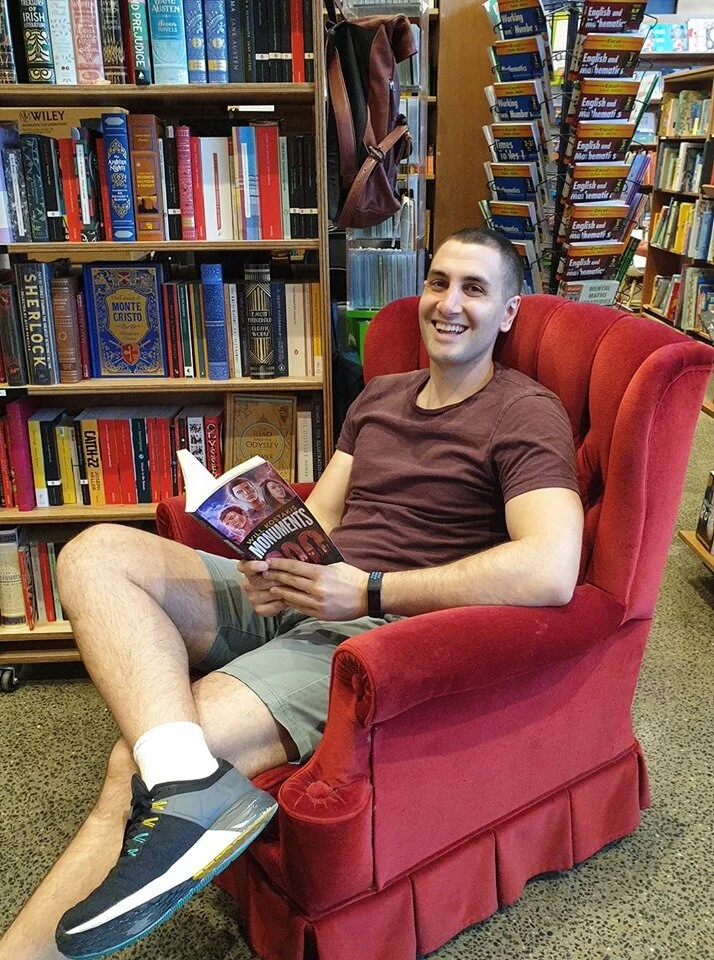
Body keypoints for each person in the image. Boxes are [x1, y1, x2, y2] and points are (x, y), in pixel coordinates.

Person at [0, 227, 584, 960]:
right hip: (308, 590)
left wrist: (369, 592)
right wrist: (270, 557)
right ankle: (191, 785)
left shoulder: (525, 411)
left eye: (475, 289)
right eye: (438, 282)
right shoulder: (381, 395)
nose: (448, 303)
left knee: (130, 764)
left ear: (508, 312)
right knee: (95, 553)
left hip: (371, 630)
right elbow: (326, 516)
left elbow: (552, 567)